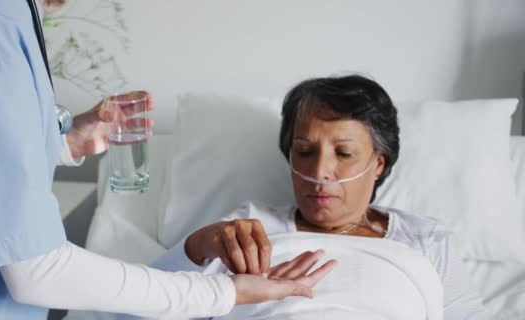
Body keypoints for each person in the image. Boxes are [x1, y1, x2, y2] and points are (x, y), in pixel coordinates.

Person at [0, 1, 334, 319]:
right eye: (304, 150)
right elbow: (34, 270)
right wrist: (221, 293)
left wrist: (58, 144)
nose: (321, 172)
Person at [148, 75, 492, 319]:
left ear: (378, 163)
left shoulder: (425, 240)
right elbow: (149, 304)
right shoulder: (251, 227)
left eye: (343, 153)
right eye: (305, 151)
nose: (321, 171)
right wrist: (196, 247)